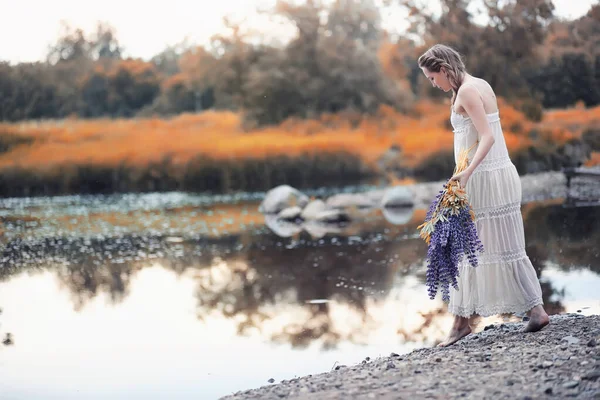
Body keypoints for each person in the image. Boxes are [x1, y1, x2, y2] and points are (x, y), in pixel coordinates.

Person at [417, 44, 550, 347]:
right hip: (498, 174)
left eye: (432, 78)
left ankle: (460, 325)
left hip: (484, 178)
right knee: (505, 244)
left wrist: (466, 173)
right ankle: (536, 310)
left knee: (465, 246)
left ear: (444, 69)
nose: (433, 84)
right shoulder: (479, 84)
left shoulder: (465, 92)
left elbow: (487, 136)